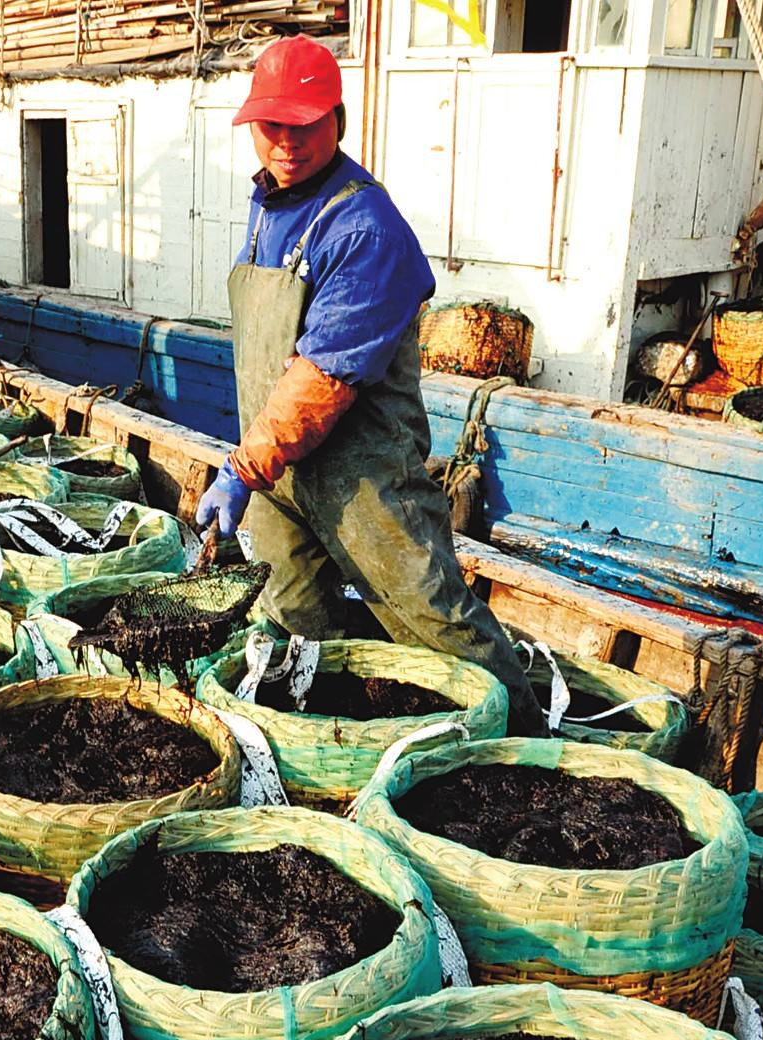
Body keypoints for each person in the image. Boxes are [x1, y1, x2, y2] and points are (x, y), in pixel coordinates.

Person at [195, 35, 544, 734]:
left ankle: (529, 742)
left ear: (338, 120)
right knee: (295, 622)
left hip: (362, 477)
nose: (286, 142)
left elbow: (321, 382)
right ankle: (341, 747)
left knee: (432, 615)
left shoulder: (364, 226)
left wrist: (240, 469)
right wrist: (253, 469)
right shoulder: (269, 207)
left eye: (305, 124)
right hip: (278, 472)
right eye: (272, 126)